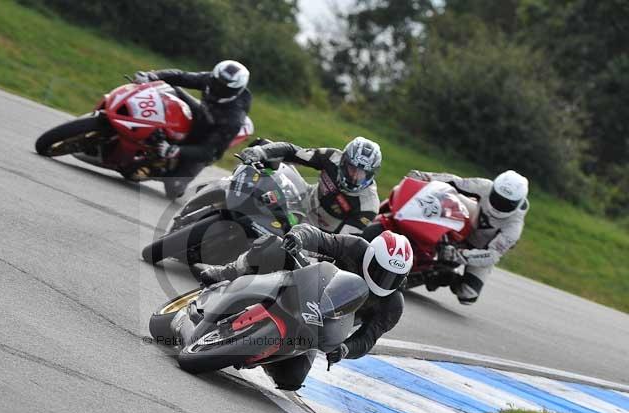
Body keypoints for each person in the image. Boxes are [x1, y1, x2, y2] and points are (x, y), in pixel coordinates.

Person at [197, 224, 412, 383]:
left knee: (291, 380)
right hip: (310, 284)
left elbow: (367, 338)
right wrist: (298, 237)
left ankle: (256, 352)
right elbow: (319, 236)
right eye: (380, 271)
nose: (384, 280)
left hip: (322, 325)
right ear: (370, 256)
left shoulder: (393, 304)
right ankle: (227, 272)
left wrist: (345, 349)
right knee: (274, 246)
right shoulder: (356, 247)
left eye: (393, 277)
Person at [407, 169, 529, 304]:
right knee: (446, 195)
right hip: (470, 218)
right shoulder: (485, 186)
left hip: (481, 247)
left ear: (517, 203)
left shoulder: (514, 225)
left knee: (468, 295)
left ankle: (445, 275)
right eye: (497, 197)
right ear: (493, 189)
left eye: (506, 204)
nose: (499, 205)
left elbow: (492, 255)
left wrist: (458, 255)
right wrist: (424, 176)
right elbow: (455, 181)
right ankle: (414, 228)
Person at [134, 60, 251, 198]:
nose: (216, 88)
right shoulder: (211, 79)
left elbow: (208, 151)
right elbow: (182, 76)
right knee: (168, 88)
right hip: (202, 114)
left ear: (234, 90)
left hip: (207, 141)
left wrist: (177, 150)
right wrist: (152, 76)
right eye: (216, 83)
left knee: (173, 189)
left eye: (223, 88)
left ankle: (165, 167)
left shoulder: (233, 118)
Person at [237, 136, 382, 233]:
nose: (355, 176)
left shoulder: (369, 206)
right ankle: (234, 193)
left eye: (362, 173)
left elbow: (342, 242)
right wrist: (259, 152)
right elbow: (292, 151)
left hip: (318, 235)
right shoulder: (332, 157)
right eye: (352, 169)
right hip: (303, 198)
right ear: (343, 162)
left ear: (371, 173)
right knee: (264, 145)